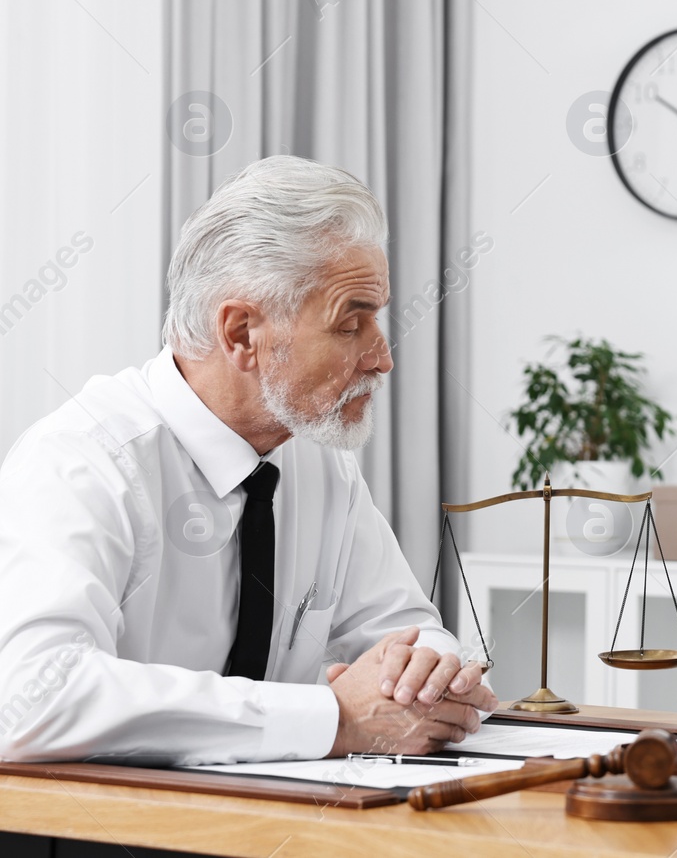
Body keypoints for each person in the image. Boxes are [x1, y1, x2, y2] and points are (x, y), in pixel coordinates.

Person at [0, 157, 496, 765]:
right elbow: (32, 696)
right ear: (240, 334)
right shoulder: (82, 462)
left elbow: (404, 631)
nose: (382, 357)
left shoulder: (319, 462)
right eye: (351, 323)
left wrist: (430, 676)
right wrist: (331, 719)